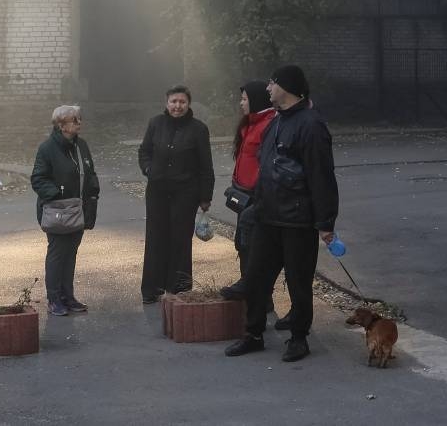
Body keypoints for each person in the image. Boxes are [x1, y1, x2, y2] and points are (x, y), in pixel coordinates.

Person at [225, 65, 339, 363]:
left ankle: (298, 338)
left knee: (299, 282)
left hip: (297, 220)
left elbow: (321, 176)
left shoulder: (311, 125)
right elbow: (265, 168)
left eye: (272, 83)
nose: (268, 89)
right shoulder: (276, 122)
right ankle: (253, 334)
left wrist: (325, 222)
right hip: (267, 215)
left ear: (286, 87)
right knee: (256, 278)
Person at [138, 85, 215, 303]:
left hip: (186, 192)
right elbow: (144, 152)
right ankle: (152, 289)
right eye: (173, 101)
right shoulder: (155, 123)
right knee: (156, 238)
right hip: (157, 191)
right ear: (166, 103)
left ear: (188, 104)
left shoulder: (198, 129)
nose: (177, 106)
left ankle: (179, 290)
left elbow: (205, 166)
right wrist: (148, 169)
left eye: (182, 102)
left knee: (180, 240)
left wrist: (205, 197)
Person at [31, 105, 100, 317]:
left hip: (78, 209)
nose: (79, 123)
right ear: (61, 125)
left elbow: (90, 172)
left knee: (71, 254)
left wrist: (93, 192)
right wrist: (58, 196)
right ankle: (54, 299)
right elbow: (38, 179)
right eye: (75, 120)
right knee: (57, 254)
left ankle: (68, 297)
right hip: (58, 211)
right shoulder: (47, 148)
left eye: (79, 119)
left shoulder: (81, 145)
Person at [219, 82, 278, 313]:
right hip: (243, 193)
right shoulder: (250, 123)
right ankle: (256, 297)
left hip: (259, 197)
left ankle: (260, 298)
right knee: (244, 245)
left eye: (244, 99)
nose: (241, 103)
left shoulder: (269, 124)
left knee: (255, 248)